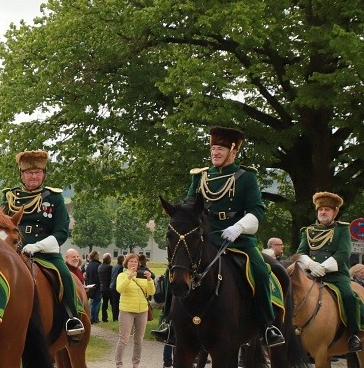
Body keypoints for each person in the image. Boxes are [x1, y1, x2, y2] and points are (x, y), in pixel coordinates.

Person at [153, 126, 285, 348]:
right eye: (213, 148)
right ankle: (169, 323)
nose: (215, 152)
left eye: (221, 149)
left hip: (238, 239)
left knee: (261, 271)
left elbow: (257, 210)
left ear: (233, 151)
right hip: (206, 237)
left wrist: (239, 227)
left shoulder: (246, 177)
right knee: (173, 270)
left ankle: (267, 325)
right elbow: (188, 204)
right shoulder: (201, 176)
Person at [1, 150, 84, 338]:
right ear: (22, 175)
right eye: (30, 172)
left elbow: (61, 231)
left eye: (38, 172)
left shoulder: (53, 197)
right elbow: (1, 223)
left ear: (44, 174)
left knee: (64, 275)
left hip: (45, 251)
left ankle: (72, 318)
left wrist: (37, 247)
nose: (34, 176)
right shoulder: (10, 196)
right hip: (14, 251)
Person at [295, 192, 361, 352]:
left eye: (327, 210)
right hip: (311, 274)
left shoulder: (342, 229)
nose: (323, 212)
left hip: (336, 275)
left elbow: (343, 253)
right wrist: (311, 265)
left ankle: (354, 335)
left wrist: (323, 267)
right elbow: (300, 252)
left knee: (349, 296)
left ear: (335, 213)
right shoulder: (308, 231)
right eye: (321, 209)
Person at [114, 253, 154, 368]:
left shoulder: (142, 275)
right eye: (131, 261)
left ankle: (136, 365)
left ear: (139, 264)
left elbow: (151, 292)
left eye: (135, 262)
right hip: (127, 310)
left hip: (142, 310)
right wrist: (129, 277)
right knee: (124, 338)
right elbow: (119, 289)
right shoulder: (122, 275)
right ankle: (118, 365)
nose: (133, 263)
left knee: (139, 340)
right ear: (126, 263)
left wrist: (149, 279)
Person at [98, 254, 117, 323]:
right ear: (108, 260)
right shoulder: (110, 267)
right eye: (110, 259)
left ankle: (104, 318)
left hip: (102, 287)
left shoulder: (100, 267)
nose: (111, 260)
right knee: (113, 303)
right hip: (109, 287)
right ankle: (115, 318)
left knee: (104, 304)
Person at [84, 252, 102, 324]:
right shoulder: (98, 265)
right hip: (97, 286)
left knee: (92, 302)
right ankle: (93, 318)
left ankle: (93, 317)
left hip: (90, 286)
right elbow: (99, 277)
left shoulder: (89, 265)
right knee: (96, 303)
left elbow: (86, 276)